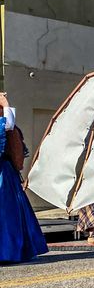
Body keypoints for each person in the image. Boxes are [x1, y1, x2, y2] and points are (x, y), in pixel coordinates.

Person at [0, 94, 48, 263]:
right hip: (3, 177)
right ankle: (7, 252)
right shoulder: (6, 127)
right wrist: (6, 104)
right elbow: (8, 126)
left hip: (5, 174)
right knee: (7, 214)